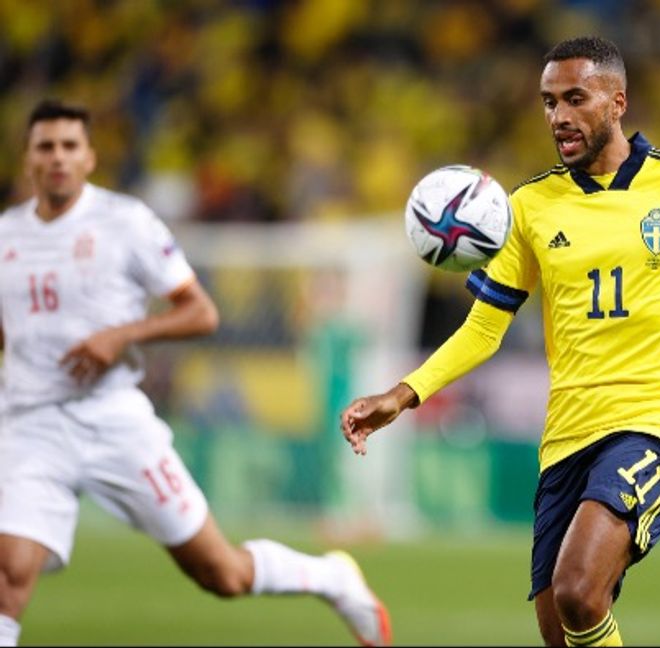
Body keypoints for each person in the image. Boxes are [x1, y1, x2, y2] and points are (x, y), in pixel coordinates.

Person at [341, 36, 660, 647]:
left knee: (578, 588)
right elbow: (485, 326)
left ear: (617, 101)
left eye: (575, 98)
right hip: (568, 434)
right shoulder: (530, 207)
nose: (559, 117)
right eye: (549, 102)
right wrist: (403, 395)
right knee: (561, 626)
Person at [0, 100, 391, 647]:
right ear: (28, 159)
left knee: (221, 573)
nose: (58, 157)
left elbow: (201, 311)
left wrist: (122, 335)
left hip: (113, 420)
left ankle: (330, 577)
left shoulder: (125, 222)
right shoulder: (7, 237)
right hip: (31, 424)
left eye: (70, 146)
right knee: (9, 573)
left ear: (89, 157)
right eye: (46, 146)